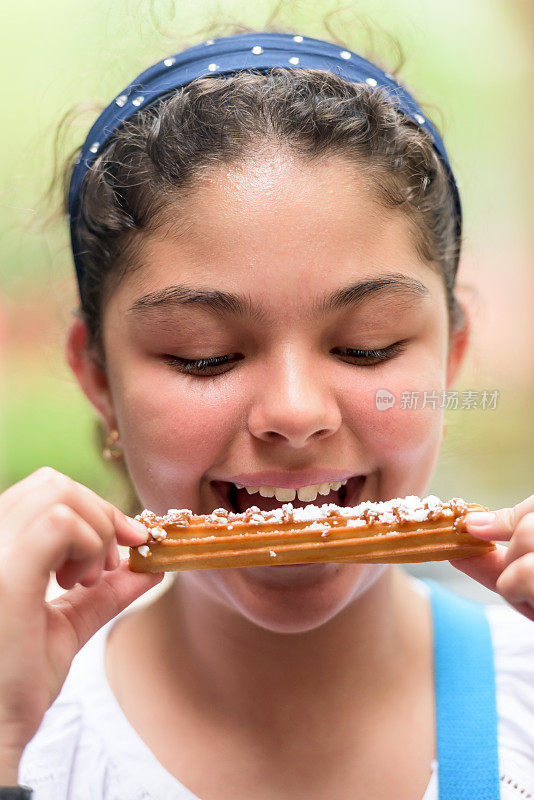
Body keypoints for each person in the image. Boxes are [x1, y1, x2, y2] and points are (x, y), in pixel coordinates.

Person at [1, 27, 532, 800]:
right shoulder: (34, 733)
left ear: (450, 358)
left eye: (367, 346)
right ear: (97, 378)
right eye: (204, 355)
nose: (294, 413)